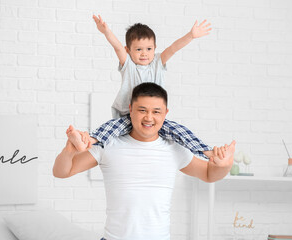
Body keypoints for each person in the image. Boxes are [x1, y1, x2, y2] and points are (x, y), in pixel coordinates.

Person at [53, 83, 236, 240]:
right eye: (142, 110)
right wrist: (68, 150)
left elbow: (209, 174)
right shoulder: (108, 146)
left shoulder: (173, 148)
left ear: (165, 113)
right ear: (130, 109)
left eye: (156, 111)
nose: (149, 118)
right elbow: (62, 172)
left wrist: (224, 164)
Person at [67, 14, 213, 159]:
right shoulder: (128, 65)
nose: (144, 53)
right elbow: (117, 47)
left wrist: (191, 35)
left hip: (154, 116)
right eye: (138, 50)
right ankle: (87, 141)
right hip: (129, 116)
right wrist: (106, 32)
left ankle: (207, 152)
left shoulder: (158, 63)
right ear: (128, 50)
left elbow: (173, 48)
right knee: (111, 128)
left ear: (155, 48)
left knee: (178, 130)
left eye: (149, 49)